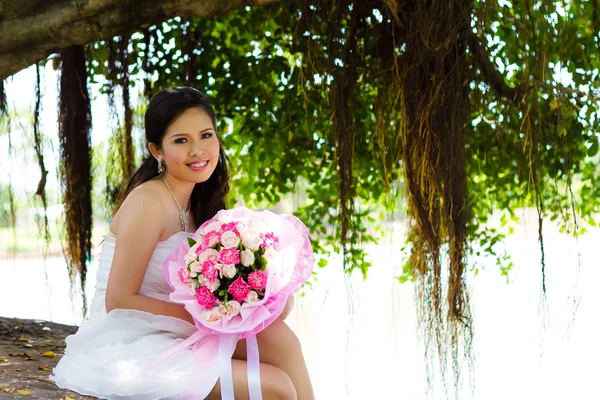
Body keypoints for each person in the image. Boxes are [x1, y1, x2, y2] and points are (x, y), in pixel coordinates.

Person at [51, 86, 315, 400]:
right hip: (133, 337)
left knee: (280, 338)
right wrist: (213, 317)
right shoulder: (148, 202)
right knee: (276, 387)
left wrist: (261, 300)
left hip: (181, 329)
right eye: (181, 140)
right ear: (156, 150)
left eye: (206, 135)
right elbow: (119, 299)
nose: (198, 150)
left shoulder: (199, 204)